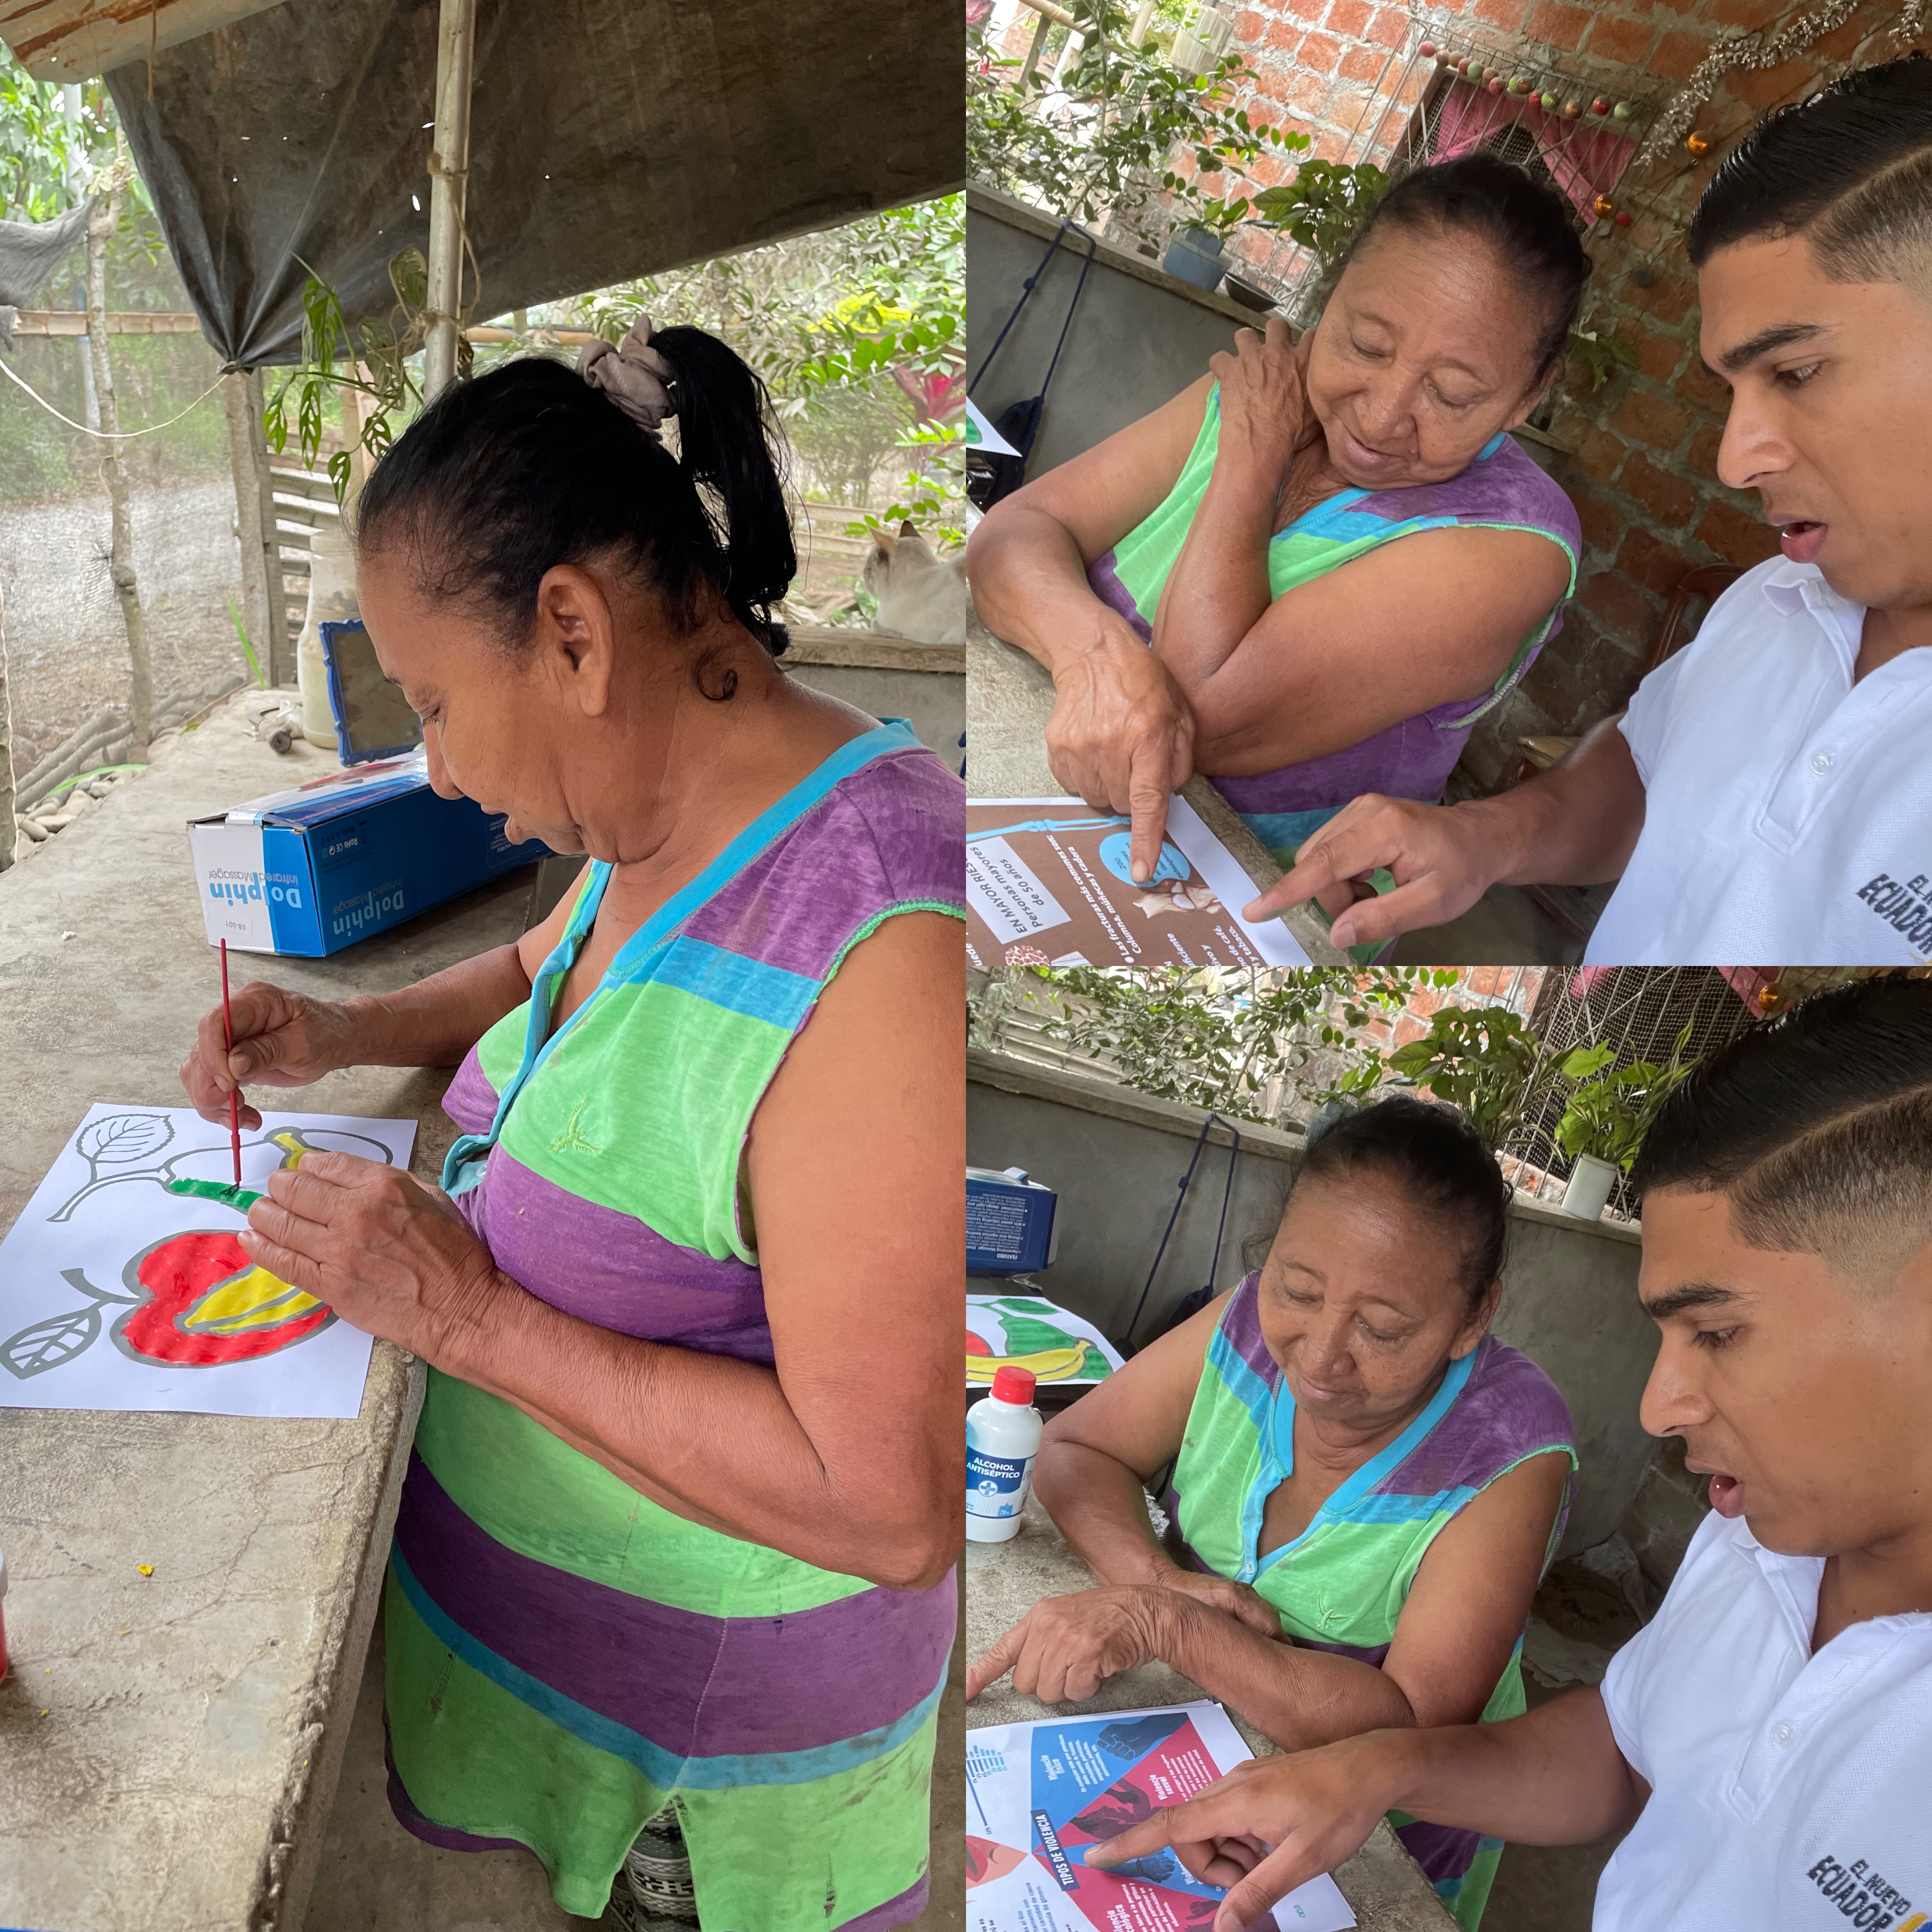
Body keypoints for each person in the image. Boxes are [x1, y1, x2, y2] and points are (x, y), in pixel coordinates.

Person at [177, 324, 964, 1932]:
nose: (434, 767)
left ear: (573, 634)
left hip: (699, 1753)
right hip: (543, 1655)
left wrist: (465, 1316)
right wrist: (341, 1030)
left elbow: (885, 1509)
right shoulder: (654, 804)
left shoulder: (881, 936)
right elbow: (543, 970)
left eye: (436, 705)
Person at [1079, 977, 1932, 1932]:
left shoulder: (1515, 1446)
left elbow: (1430, 1704)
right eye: (1300, 1290)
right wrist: (1377, 1769)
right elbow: (1626, 1750)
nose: (1657, 1408)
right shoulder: (1753, 1545)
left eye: (1719, 1334)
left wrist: (1199, 1639)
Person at [1252, 59, 1932, 965]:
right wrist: (1487, 838)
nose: (1735, 459)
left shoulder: (1511, 536)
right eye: (1731, 390)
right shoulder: (1777, 599)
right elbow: (1650, 770)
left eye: (1797, 373)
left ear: (1524, 399)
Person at [966, 1096, 1576, 1930]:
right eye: (1298, 1289)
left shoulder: (1511, 1451)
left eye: (1382, 1329)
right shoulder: (1244, 1324)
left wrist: (1168, 1624)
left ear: (1474, 1317)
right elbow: (1077, 1449)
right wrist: (1156, 1584)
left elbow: (1412, 1724)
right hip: (1191, 1754)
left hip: (1370, 1844)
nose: (1320, 1357)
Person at [966, 151, 1587, 951]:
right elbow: (1015, 532)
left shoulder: (1513, 545)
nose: (1382, 416)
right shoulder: (1264, 385)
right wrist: (1091, 654)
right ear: (1327, 304)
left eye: (1452, 394)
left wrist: (1253, 456)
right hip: (1037, 813)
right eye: (1366, 345)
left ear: (1529, 395)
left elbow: (1189, 715)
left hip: (1238, 920)